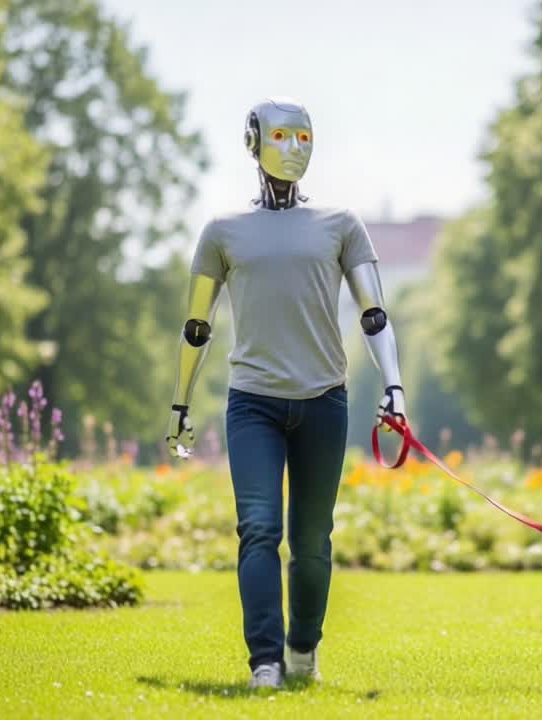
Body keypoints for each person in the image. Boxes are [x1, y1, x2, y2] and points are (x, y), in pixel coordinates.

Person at [164, 96, 408, 689]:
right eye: (280, 135)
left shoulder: (342, 224)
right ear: (254, 143)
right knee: (258, 529)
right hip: (252, 403)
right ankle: (265, 662)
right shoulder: (223, 231)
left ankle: (303, 649)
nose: (293, 148)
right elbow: (198, 326)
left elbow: (373, 314)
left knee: (311, 542)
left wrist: (394, 387)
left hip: (325, 400)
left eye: (303, 137)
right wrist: (180, 404)